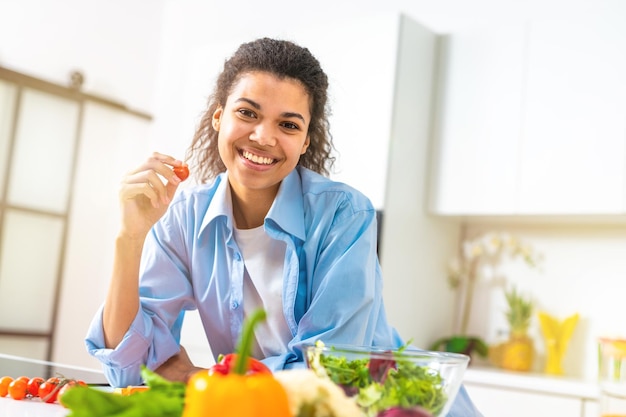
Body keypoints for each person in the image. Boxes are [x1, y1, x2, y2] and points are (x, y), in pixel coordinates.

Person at [85, 37, 482, 416]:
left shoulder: (343, 214)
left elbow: (333, 373)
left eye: (288, 125)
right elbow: (131, 368)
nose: (263, 137)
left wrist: (205, 379)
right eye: (247, 113)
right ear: (219, 116)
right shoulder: (184, 214)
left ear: (307, 140)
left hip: (396, 408)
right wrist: (130, 236)